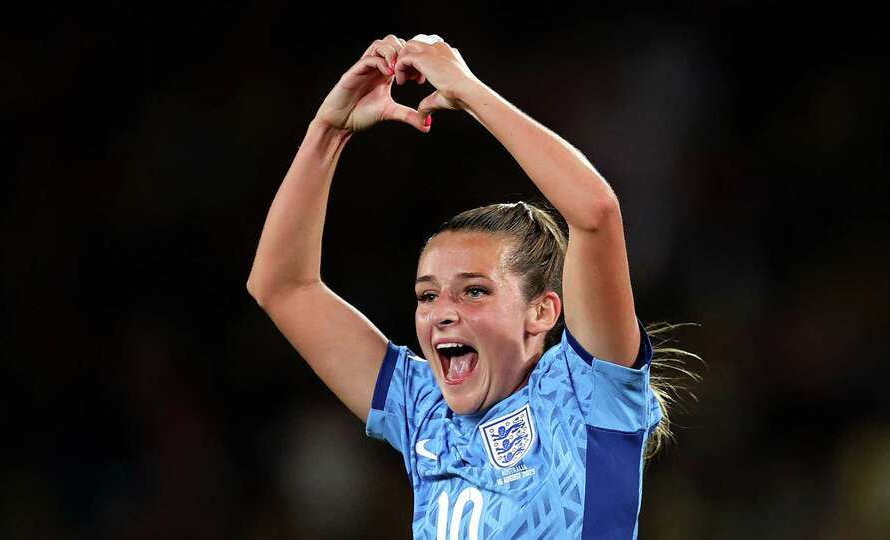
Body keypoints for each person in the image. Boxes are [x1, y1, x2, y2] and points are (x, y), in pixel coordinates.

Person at [247, 33, 695, 539]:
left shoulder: (586, 394)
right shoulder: (423, 409)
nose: (441, 312)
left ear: (543, 313)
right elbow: (282, 286)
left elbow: (595, 213)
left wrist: (468, 90)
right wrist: (328, 131)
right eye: (427, 294)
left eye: (474, 291)